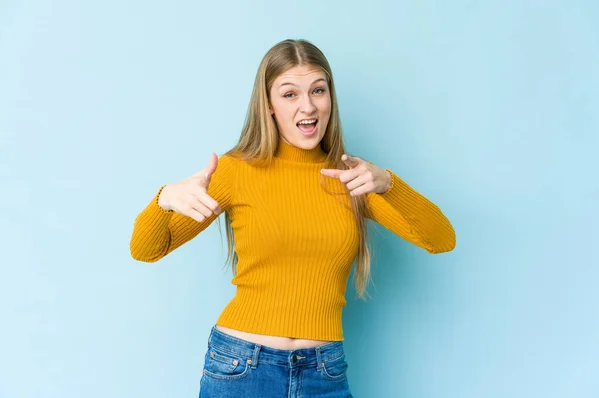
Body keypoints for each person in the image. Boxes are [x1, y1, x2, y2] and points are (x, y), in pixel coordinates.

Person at [130, 38, 456, 397]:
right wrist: (163, 200)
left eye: (318, 90)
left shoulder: (350, 177)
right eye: (290, 94)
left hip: (325, 371)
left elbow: (440, 239)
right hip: (241, 367)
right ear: (268, 104)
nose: (308, 105)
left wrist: (389, 184)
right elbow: (146, 249)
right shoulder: (236, 172)